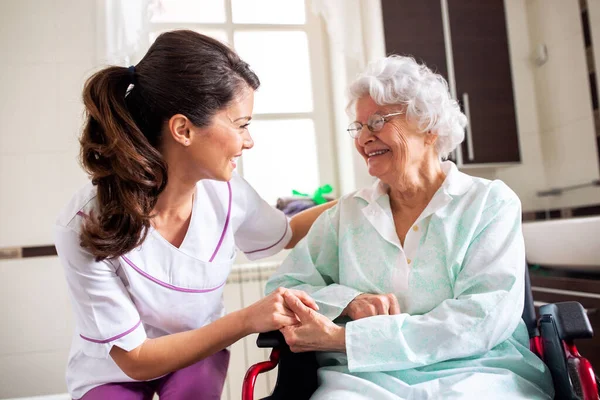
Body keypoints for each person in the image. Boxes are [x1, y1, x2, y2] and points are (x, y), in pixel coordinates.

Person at [54, 30, 333, 400]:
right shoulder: (85, 223)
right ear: (183, 129)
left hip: (199, 353)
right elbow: (135, 359)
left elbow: (286, 232)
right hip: (113, 369)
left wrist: (370, 196)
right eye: (241, 125)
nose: (248, 141)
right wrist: (248, 318)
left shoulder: (231, 195)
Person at [265, 55, 554, 399]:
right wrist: (348, 301)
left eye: (376, 121)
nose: (363, 139)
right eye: (358, 127)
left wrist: (344, 339)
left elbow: (483, 317)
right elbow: (285, 287)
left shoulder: (489, 204)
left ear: (429, 128)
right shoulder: (346, 215)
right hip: (365, 380)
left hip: (478, 370)